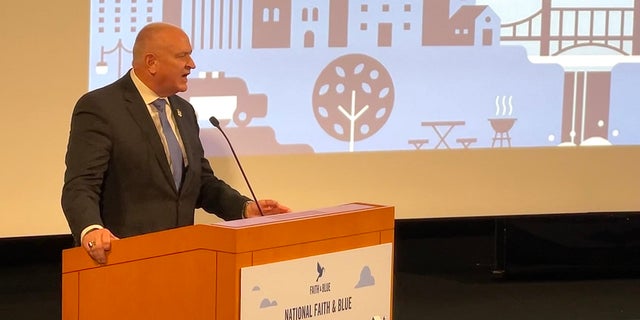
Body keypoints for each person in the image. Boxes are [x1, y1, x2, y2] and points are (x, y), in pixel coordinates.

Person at [61, 22, 290, 264]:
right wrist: (90, 229)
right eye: (183, 56)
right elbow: (81, 185)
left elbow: (201, 183)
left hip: (179, 259)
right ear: (151, 63)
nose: (192, 64)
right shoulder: (101, 107)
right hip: (121, 261)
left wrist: (244, 208)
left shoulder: (184, 111)